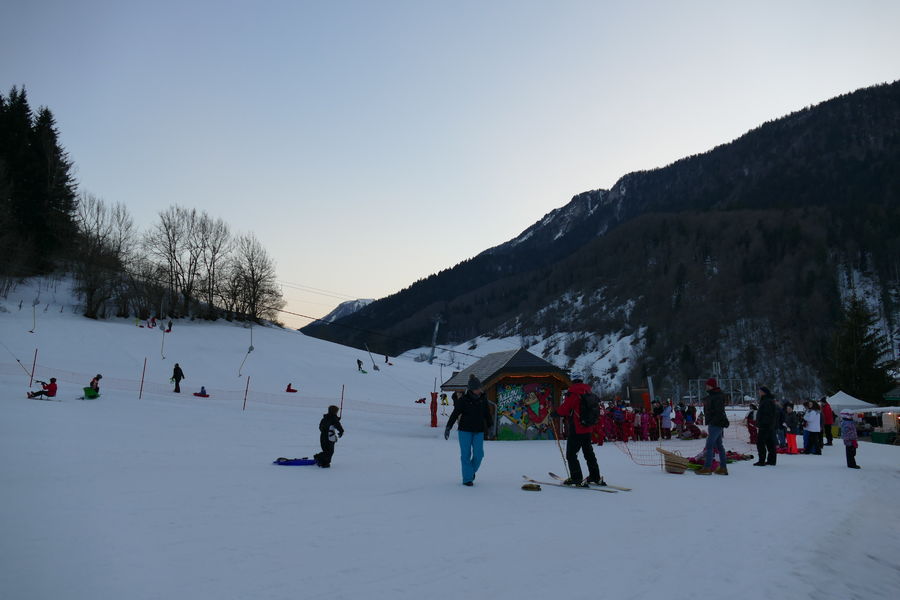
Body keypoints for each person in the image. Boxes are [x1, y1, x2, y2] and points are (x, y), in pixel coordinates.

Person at [444, 374, 492, 486]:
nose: (480, 390)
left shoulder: (483, 399)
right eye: (478, 388)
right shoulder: (464, 400)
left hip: (478, 431)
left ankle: (470, 472)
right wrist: (448, 427)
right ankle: (467, 479)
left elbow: (487, 414)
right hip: (464, 431)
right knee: (465, 455)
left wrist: (490, 426)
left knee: (479, 454)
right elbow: (455, 414)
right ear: (472, 389)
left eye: (480, 388)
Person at [554, 376, 603, 486]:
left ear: (573, 381)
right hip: (588, 428)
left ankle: (576, 478)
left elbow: (565, 408)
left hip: (577, 428)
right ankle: (595, 476)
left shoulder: (573, 392)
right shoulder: (588, 391)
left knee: (571, 454)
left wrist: (555, 413)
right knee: (589, 453)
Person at [696, 378, 729, 475]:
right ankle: (723, 468)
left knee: (709, 445)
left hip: (716, 423)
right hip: (714, 423)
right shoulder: (713, 395)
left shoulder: (717, 396)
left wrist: (713, 421)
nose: (706, 387)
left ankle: (707, 468)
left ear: (712, 386)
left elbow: (718, 411)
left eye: (708, 385)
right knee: (719, 445)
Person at [753, 386, 778, 466]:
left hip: (765, 426)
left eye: (760, 391)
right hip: (769, 426)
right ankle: (771, 460)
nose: (759, 393)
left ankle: (762, 460)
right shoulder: (767, 400)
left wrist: (762, 424)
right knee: (770, 443)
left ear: (764, 392)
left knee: (760, 443)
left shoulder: (767, 401)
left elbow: (768, 415)